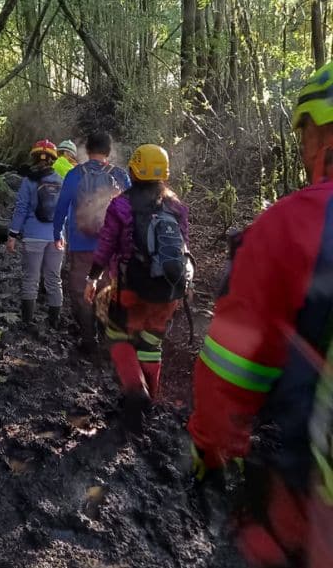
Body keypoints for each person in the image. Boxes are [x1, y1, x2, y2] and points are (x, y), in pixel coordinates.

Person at [186, 61, 333, 567]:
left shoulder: (289, 228)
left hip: (312, 511)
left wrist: (209, 449)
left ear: (319, 134)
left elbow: (230, 370)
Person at [83, 144, 189, 432]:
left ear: (133, 171)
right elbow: (181, 248)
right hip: (168, 292)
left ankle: (135, 391)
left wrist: (92, 279)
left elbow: (106, 246)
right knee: (151, 345)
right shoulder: (177, 207)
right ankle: (149, 404)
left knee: (118, 336)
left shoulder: (121, 205)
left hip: (131, 290)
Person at [53, 131, 131, 352]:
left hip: (80, 245)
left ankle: (88, 338)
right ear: (108, 151)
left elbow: (61, 208)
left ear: (87, 151)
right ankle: (107, 338)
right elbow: (130, 213)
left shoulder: (75, 174)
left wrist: (56, 233)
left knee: (80, 291)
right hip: (111, 248)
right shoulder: (120, 176)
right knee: (107, 290)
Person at [6, 139, 65, 330]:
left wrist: (12, 235)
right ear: (53, 159)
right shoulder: (61, 181)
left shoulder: (28, 181)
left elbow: (21, 209)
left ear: (34, 156)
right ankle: (54, 322)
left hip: (32, 235)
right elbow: (67, 212)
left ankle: (27, 322)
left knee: (31, 278)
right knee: (54, 279)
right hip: (56, 237)